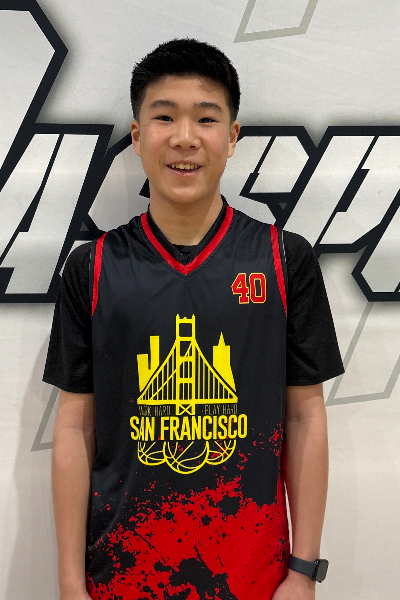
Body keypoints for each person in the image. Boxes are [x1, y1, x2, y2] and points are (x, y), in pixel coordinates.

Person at [43, 38, 344, 600]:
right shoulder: (93, 267)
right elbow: (74, 428)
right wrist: (68, 583)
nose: (185, 137)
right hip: (123, 578)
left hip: (253, 579)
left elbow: (305, 417)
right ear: (138, 137)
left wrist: (302, 571)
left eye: (206, 119)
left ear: (232, 137)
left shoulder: (284, 259)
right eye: (164, 117)